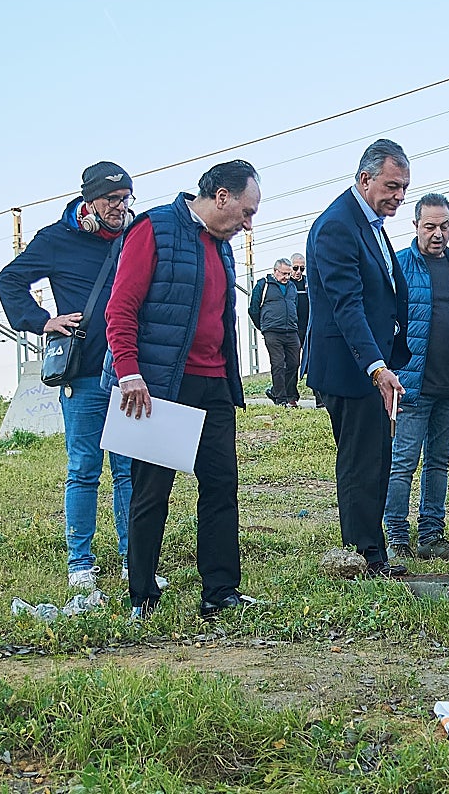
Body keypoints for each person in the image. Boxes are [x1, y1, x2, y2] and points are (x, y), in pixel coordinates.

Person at [104, 159, 259, 620]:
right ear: (222, 196)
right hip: (162, 386)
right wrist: (129, 372)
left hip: (213, 384)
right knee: (152, 491)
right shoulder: (156, 228)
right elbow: (121, 308)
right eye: (246, 212)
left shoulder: (223, 247)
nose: (248, 224)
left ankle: (220, 592)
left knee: (220, 486)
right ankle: (142, 596)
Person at [0, 161, 143, 592]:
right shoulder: (56, 239)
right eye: (111, 200)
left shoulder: (135, 234)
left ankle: (131, 558)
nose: (119, 207)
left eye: (125, 199)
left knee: (128, 469)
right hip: (82, 375)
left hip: (127, 372)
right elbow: (9, 280)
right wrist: (42, 321)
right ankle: (81, 562)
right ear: (89, 200)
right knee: (83, 468)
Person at [304, 139, 412, 577]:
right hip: (352, 370)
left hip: (374, 366)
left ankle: (372, 550)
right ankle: (363, 556)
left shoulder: (370, 224)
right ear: (365, 179)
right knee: (360, 461)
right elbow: (346, 304)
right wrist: (376, 366)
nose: (399, 196)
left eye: (404, 187)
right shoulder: (337, 225)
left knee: (376, 457)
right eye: (391, 185)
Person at [383, 193, 449, 561]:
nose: (438, 234)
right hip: (411, 388)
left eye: (444, 226)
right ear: (416, 225)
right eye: (430, 226)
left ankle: (433, 534)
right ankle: (397, 535)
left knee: (439, 462)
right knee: (403, 462)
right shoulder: (399, 266)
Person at [249, 257, 300, 407]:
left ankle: (278, 392)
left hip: (291, 330)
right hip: (272, 331)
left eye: (288, 274)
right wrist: (263, 326)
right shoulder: (263, 285)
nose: (286, 277)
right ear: (275, 271)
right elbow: (253, 308)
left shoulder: (292, 287)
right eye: (283, 273)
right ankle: (281, 399)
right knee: (278, 364)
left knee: (294, 363)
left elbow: (294, 305)